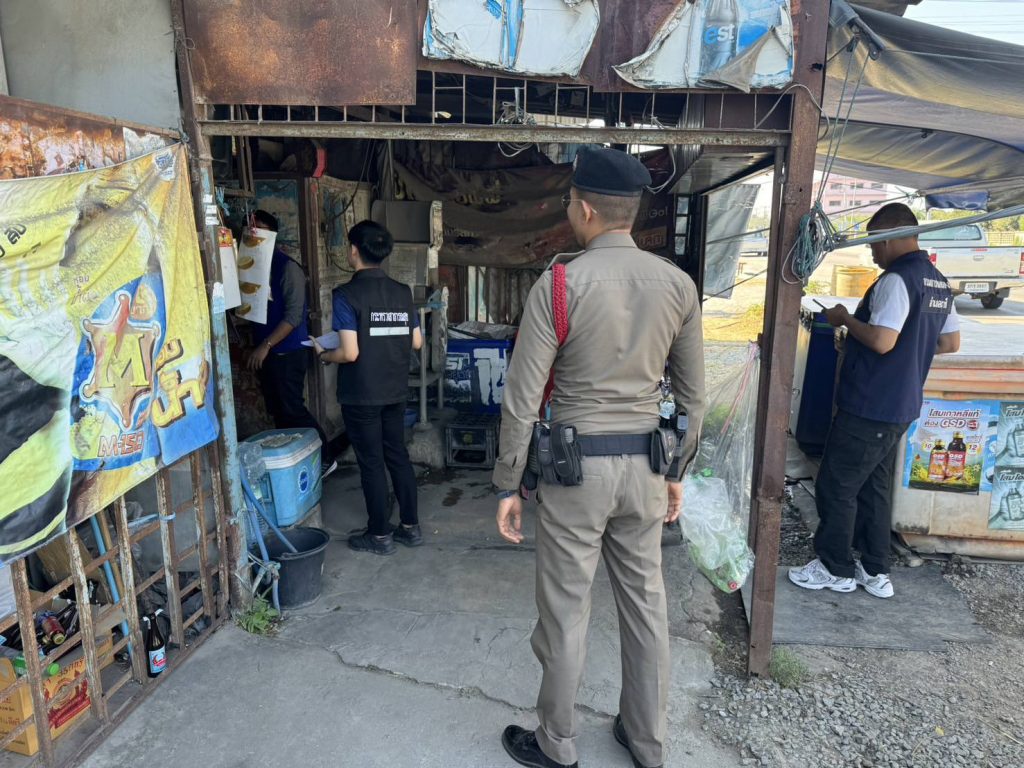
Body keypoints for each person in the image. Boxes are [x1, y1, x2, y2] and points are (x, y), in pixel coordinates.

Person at [492, 146, 706, 768]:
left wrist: (509, 483)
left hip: (574, 473)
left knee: (565, 610)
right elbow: (693, 397)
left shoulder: (560, 284)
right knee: (646, 608)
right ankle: (647, 742)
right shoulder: (678, 285)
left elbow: (522, 397)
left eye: (568, 202)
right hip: (644, 469)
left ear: (585, 210)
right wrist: (676, 472)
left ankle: (557, 744)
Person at [789, 203, 961, 599]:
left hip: (871, 404)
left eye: (873, 243)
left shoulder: (896, 280)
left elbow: (883, 341)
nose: (871, 253)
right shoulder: (937, 281)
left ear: (890, 236)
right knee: (874, 487)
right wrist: (908, 346)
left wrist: (845, 320)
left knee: (837, 484)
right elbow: (950, 342)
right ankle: (874, 568)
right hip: (902, 404)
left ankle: (835, 568)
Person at [312, 220, 423, 556]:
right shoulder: (402, 292)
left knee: (372, 462)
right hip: (395, 388)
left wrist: (324, 354)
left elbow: (350, 352)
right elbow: (417, 342)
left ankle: (379, 535)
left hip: (362, 393)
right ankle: (410, 527)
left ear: (354, 251)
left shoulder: (346, 295)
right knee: (397, 455)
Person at [245, 210, 335, 478]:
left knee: (292, 409)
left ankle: (326, 458)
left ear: (272, 235)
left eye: (260, 230)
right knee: (279, 412)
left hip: (287, 351)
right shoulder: (250, 266)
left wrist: (266, 345)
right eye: (249, 230)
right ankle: (294, 465)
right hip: (267, 352)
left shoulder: (287, 268)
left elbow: (294, 317)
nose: (253, 235)